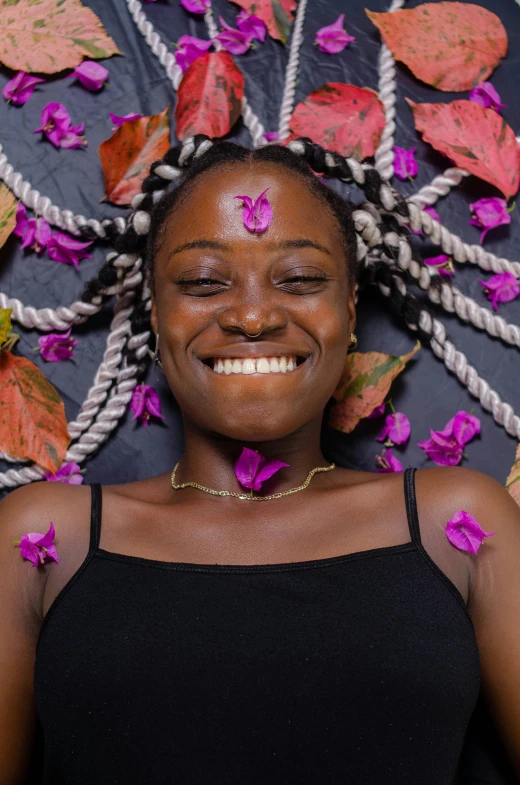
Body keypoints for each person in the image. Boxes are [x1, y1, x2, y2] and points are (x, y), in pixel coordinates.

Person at [1, 139, 520, 785]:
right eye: (202, 282)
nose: (252, 314)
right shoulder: (47, 538)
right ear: (155, 315)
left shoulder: (458, 525)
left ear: (349, 311)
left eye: (301, 279)